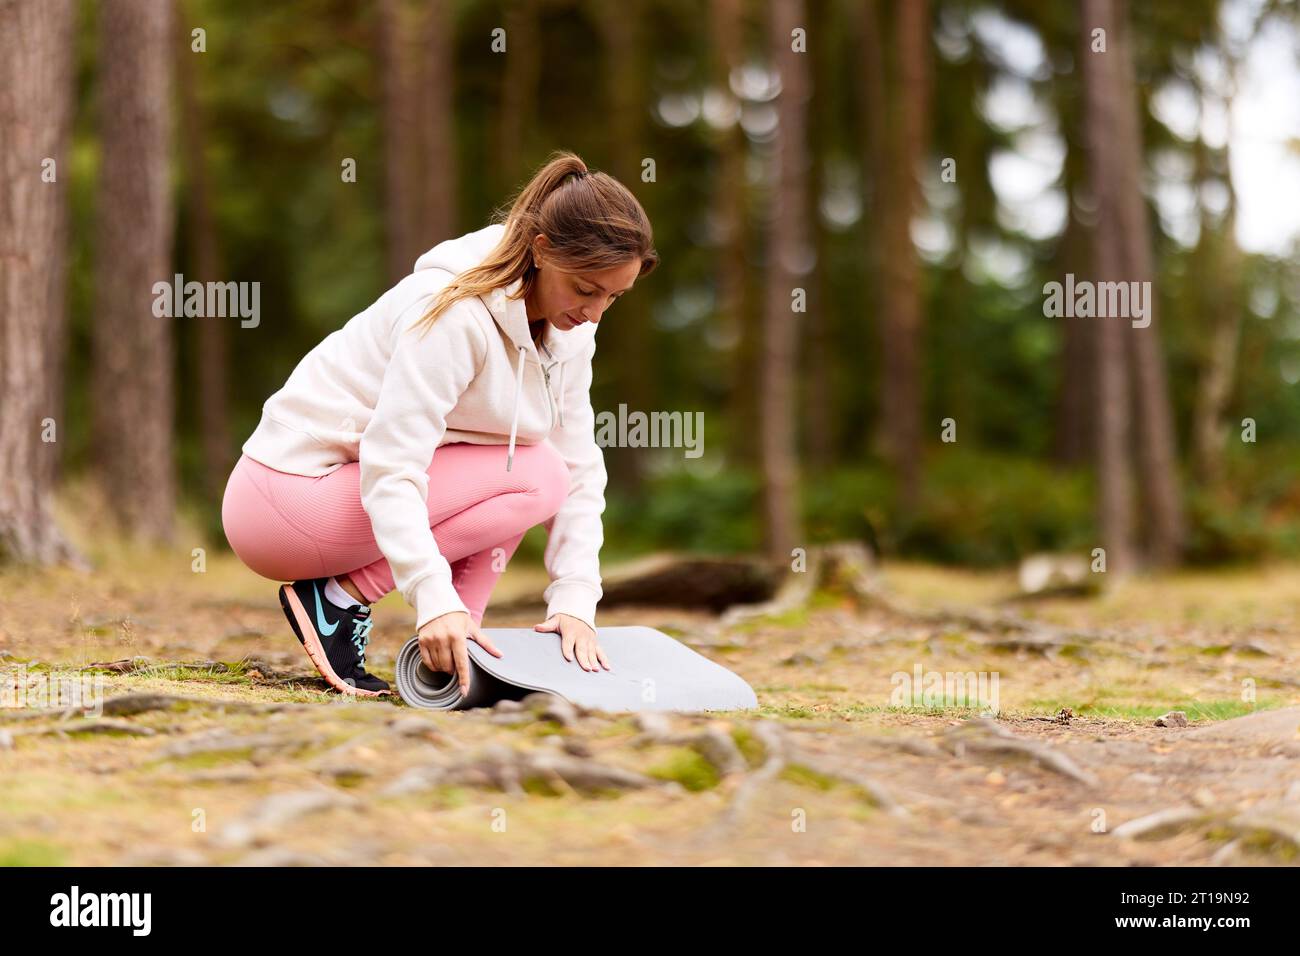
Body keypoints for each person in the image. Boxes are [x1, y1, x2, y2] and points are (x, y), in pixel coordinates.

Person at [220, 151, 658, 697]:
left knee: (539, 467)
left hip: (340, 501)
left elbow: (580, 467)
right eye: (586, 289)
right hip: (284, 501)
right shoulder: (455, 313)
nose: (595, 313)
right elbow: (394, 462)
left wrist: (575, 599)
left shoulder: (570, 332)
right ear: (542, 251)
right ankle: (338, 600)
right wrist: (430, 595)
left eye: (614, 297)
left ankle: (459, 638)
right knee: (534, 473)